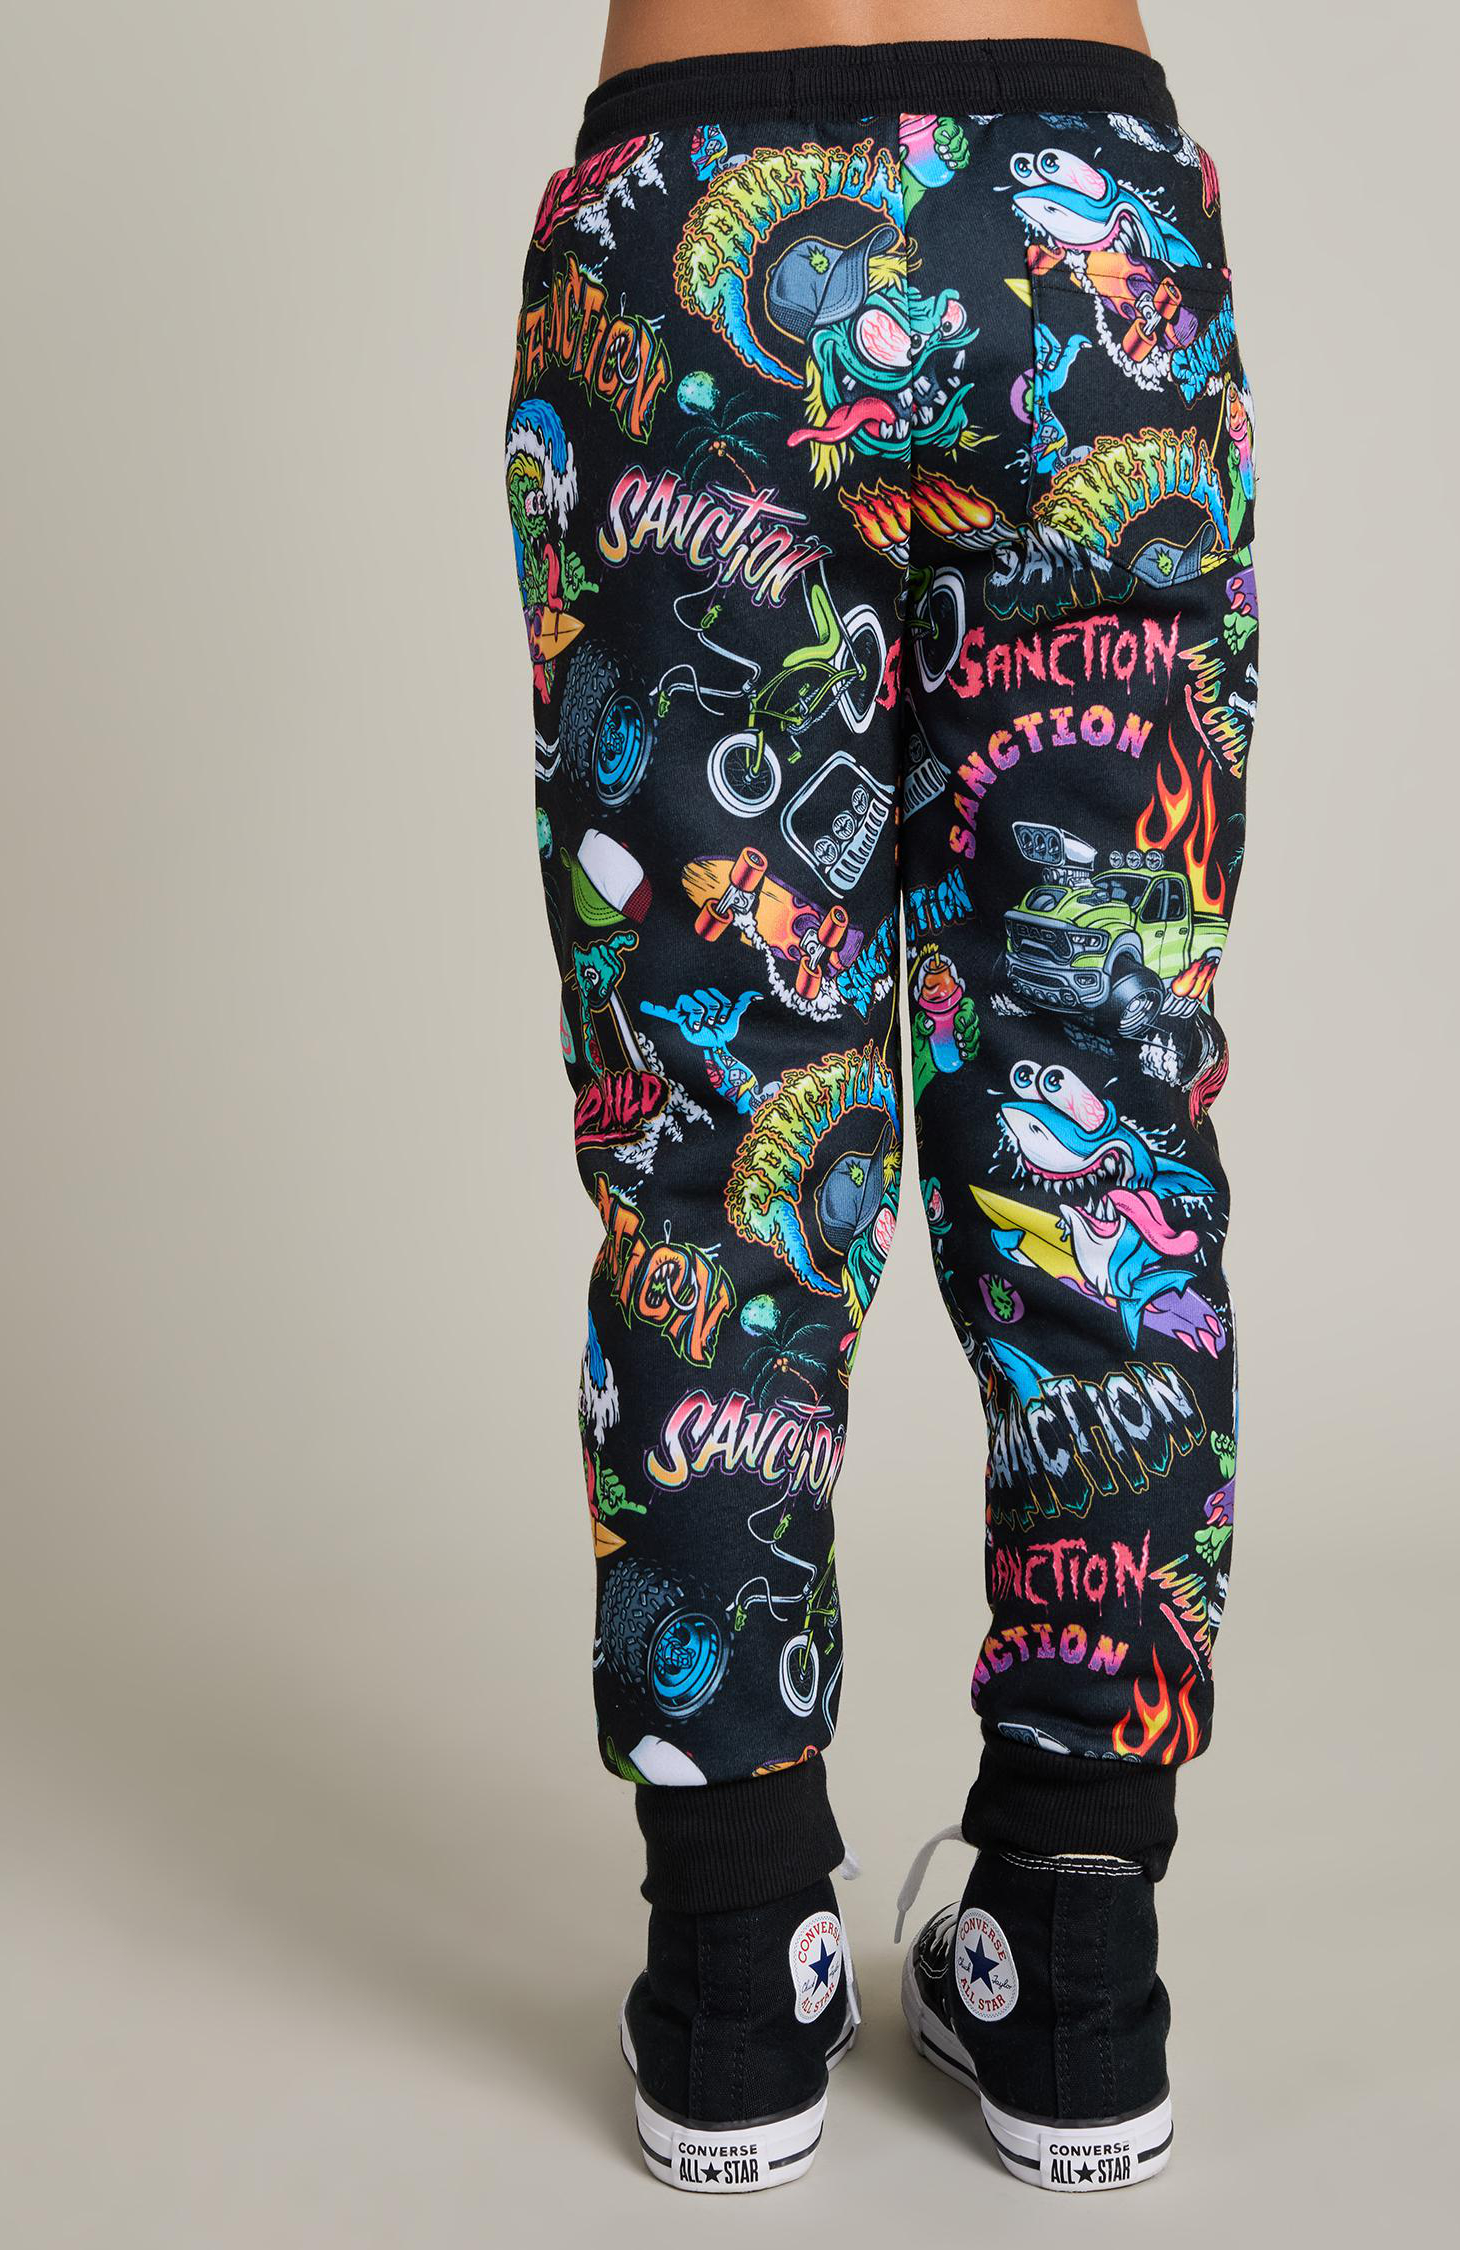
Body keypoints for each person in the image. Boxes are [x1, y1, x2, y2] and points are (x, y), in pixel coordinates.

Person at [505, 0, 1258, 2195]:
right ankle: (1076, 1962)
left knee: (708, 1149)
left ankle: (738, 1976)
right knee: (1100, 1114)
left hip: (687, 222)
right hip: (1080, 245)